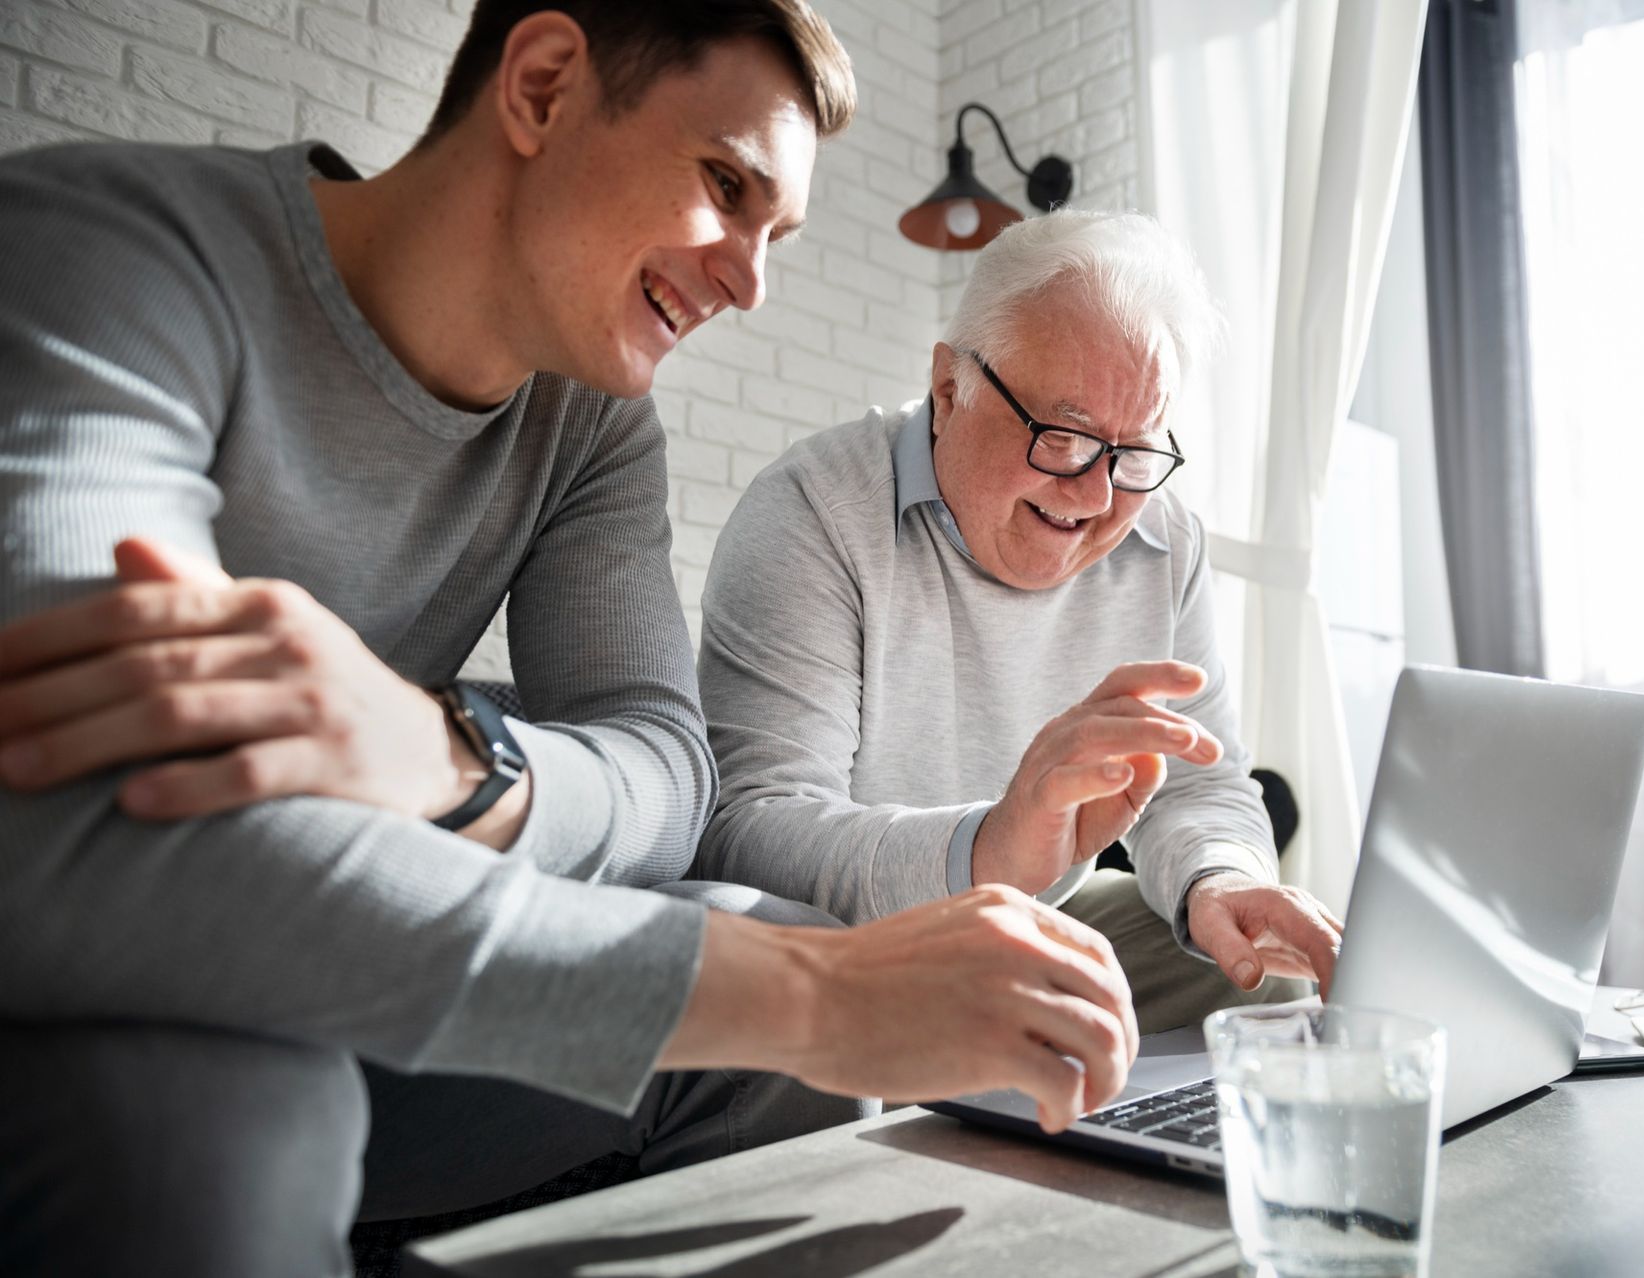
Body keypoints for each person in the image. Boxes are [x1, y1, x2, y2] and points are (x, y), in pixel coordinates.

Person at [0, 4, 1138, 1272]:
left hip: (392, 992)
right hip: (93, 986)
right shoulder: (112, 255)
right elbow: (85, 823)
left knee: (781, 991)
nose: (751, 284)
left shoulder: (588, 429)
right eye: (725, 186)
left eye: (778, 234)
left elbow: (666, 768)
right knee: (239, 1116)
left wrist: (446, 759)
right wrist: (818, 1002)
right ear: (541, 87)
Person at [696, 210, 1344, 1036]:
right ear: (947, 390)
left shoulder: (1164, 537)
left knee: (1263, 979)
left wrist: (1219, 878)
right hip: (851, 948)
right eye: (1065, 438)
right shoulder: (813, 513)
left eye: (1135, 453)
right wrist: (990, 849)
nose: (1098, 497)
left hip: (1043, 926)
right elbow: (753, 831)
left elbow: (1199, 782)